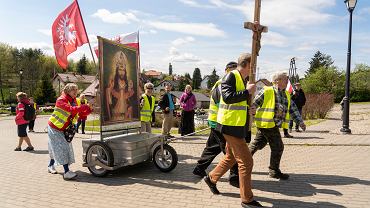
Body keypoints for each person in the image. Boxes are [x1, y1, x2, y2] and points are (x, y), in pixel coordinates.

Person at [204, 53, 262, 208]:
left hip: (235, 126)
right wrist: (246, 92)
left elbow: (238, 103)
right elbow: (228, 97)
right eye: (254, 65)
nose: (255, 68)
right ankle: (247, 200)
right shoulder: (231, 76)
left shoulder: (242, 80)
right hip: (230, 127)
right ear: (248, 64)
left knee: (231, 157)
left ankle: (211, 178)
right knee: (247, 162)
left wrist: (250, 109)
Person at [249, 71, 306, 180]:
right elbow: (255, 103)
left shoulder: (286, 94)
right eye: (285, 79)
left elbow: (292, 109)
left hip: (272, 124)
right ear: (277, 81)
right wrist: (253, 109)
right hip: (267, 124)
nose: (287, 81)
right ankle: (274, 171)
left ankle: (239, 162)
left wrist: (300, 122)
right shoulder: (267, 90)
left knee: (257, 144)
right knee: (278, 146)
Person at [193, 62, 240, 181]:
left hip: (216, 121)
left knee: (212, 147)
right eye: (232, 70)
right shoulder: (223, 84)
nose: (235, 73)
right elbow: (224, 104)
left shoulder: (222, 83)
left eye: (236, 70)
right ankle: (234, 176)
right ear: (226, 70)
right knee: (231, 152)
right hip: (220, 123)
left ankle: (199, 168)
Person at [47, 83, 92, 180]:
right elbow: (70, 110)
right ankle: (66, 172)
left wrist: (90, 109)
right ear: (67, 91)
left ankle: (50, 166)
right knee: (62, 147)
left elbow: (81, 113)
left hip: (65, 128)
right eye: (73, 90)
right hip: (54, 127)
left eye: (76, 90)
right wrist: (85, 106)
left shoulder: (76, 100)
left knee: (56, 147)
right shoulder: (61, 100)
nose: (76, 92)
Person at [106, 51, 134, 121]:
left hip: (125, 106)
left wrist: (130, 90)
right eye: (120, 70)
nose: (122, 72)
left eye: (123, 70)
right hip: (116, 105)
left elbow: (130, 95)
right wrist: (109, 90)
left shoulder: (127, 81)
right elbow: (109, 92)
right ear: (116, 70)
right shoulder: (114, 81)